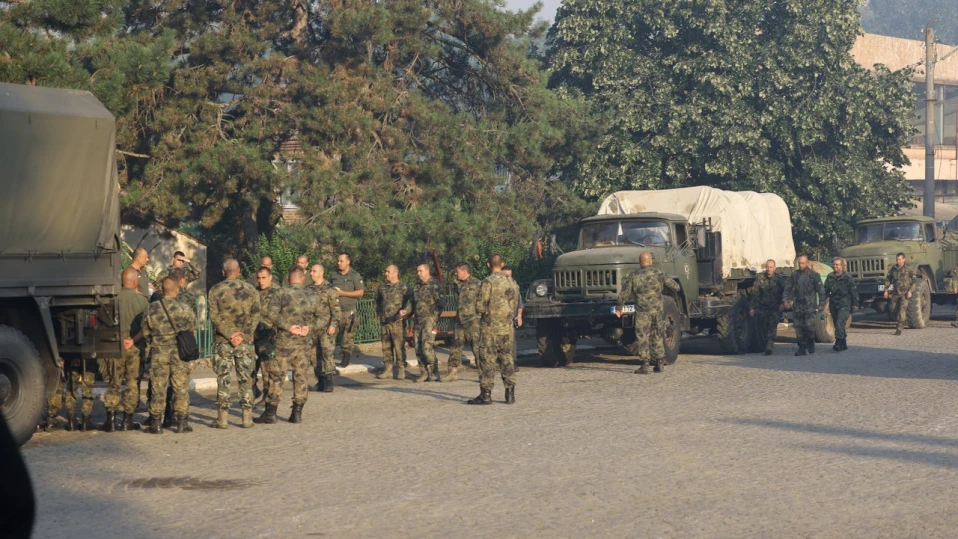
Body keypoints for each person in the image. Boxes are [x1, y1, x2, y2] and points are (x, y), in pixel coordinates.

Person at [256, 266, 321, 424]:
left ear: (288, 278)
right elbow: (324, 316)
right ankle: (297, 412)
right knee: (301, 377)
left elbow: (271, 314)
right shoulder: (312, 295)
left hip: (284, 342)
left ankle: (271, 413)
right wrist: (309, 328)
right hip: (304, 343)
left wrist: (287, 326)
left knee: (276, 377)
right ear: (302, 278)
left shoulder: (281, 293)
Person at [208, 259, 262, 429]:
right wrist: (242, 335)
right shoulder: (251, 290)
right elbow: (256, 316)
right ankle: (247, 418)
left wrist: (229, 334)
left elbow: (214, 316)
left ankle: (222, 419)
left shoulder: (215, 290)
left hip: (223, 341)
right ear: (238, 271)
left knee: (223, 379)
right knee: (246, 379)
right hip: (244, 343)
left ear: (224, 272)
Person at [141, 277, 197, 434]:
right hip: (179, 353)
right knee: (181, 388)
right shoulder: (185, 308)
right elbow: (192, 330)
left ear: (161, 290)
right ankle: (182, 422)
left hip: (159, 352)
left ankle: (156, 423)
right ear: (177, 289)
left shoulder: (151, 308)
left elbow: (146, 333)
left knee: (158, 388)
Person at [615, 252, 680, 374]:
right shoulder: (659, 274)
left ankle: (645, 364)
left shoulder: (634, 276)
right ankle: (660, 362)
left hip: (642, 312)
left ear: (640, 262)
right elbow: (675, 286)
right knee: (657, 335)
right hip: (657, 311)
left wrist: (619, 308)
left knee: (642, 337)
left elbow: (624, 293)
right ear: (650, 261)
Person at [467, 254, 520, 404]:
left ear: (488, 265)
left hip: (490, 329)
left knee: (487, 361)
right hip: (507, 329)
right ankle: (510, 394)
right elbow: (515, 304)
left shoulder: (488, 282)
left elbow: (480, 306)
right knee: (507, 359)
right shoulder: (512, 282)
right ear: (502, 264)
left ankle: (486, 395)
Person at [102, 268, 149, 432]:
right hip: (134, 346)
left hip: (115, 345)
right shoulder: (143, 302)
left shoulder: (111, 300)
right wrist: (132, 340)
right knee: (132, 383)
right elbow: (146, 328)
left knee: (114, 381)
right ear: (135, 282)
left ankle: (111, 420)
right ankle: (127, 419)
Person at [783, 255, 826, 356]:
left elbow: (821, 291)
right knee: (798, 326)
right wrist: (786, 300)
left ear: (807, 263)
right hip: (798, 304)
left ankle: (811, 340)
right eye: (799, 263)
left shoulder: (814, 275)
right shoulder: (795, 275)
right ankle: (801, 347)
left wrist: (821, 303)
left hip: (809, 304)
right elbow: (788, 288)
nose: (801, 265)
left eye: (802, 263)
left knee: (808, 325)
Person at [375, 265, 411, 380]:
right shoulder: (382, 288)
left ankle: (401, 369)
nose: (386, 273)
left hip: (397, 322)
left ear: (395, 273)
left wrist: (406, 312)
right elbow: (378, 302)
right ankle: (388, 369)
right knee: (386, 347)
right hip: (385, 322)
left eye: (388, 271)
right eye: (385, 271)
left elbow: (411, 301)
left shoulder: (404, 287)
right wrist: (380, 314)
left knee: (399, 347)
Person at [329, 252, 365, 368]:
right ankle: (328, 359)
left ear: (348, 262)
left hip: (349, 312)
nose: (338, 263)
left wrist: (343, 293)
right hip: (335, 311)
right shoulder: (334, 274)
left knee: (347, 337)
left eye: (341, 261)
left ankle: (346, 358)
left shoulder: (354, 276)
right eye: (338, 261)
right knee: (330, 335)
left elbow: (360, 292)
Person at [309, 264, 341, 392]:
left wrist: (333, 325)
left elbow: (336, 309)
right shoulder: (308, 289)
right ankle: (320, 381)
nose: (311, 273)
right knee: (314, 355)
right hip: (312, 328)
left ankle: (329, 381)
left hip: (326, 328)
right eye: (311, 271)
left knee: (327, 354)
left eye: (314, 271)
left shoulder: (330, 289)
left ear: (321, 273)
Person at [447, 263, 480, 380]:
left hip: (473, 320)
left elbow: (482, 301)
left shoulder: (477, 283)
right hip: (459, 320)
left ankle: (483, 373)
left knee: (477, 347)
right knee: (456, 346)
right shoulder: (456, 284)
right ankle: (452, 372)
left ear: (464, 271)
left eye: (457, 272)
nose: (456, 274)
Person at [252, 267, 280, 403]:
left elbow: (281, 314)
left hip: (269, 336)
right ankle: (253, 390)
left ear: (270, 277)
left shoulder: (277, 293)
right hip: (255, 334)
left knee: (267, 368)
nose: (260, 281)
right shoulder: (254, 292)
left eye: (263, 278)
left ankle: (267, 395)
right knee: (250, 367)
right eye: (258, 278)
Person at [411, 263, 442, 382]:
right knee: (418, 348)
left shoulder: (435, 285)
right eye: (417, 271)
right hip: (418, 320)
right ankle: (423, 373)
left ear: (427, 271)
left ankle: (434, 371)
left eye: (420, 271)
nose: (418, 273)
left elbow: (441, 302)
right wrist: (406, 311)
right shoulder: (417, 285)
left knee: (426, 347)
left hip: (429, 321)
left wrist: (434, 317)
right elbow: (412, 302)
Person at [748, 259, 786, 355]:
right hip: (763, 307)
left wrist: (783, 303)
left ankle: (770, 344)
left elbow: (785, 292)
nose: (769, 269)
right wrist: (752, 307)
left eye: (771, 267)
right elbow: (755, 293)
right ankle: (765, 343)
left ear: (775, 268)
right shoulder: (760, 277)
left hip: (775, 307)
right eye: (767, 267)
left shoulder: (779, 279)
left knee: (772, 324)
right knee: (763, 325)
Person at [824, 257, 859, 351]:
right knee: (836, 323)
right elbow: (825, 291)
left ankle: (838, 342)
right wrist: (821, 303)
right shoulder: (830, 276)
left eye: (837, 264)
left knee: (840, 322)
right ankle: (843, 342)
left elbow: (853, 291)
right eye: (834, 264)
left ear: (842, 266)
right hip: (834, 303)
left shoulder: (847, 277)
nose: (835, 266)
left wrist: (855, 303)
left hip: (845, 303)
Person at [884, 252, 915, 336]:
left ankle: (899, 328)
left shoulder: (909, 269)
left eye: (900, 259)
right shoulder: (893, 269)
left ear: (904, 259)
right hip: (895, 293)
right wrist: (886, 290)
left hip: (905, 293)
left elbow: (914, 280)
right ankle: (899, 321)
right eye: (897, 260)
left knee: (902, 310)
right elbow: (888, 279)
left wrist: (910, 291)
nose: (898, 261)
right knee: (892, 309)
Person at [502, 266, 524, 371]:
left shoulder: (515, 287)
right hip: (499, 319)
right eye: (506, 275)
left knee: (512, 341)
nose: (508, 278)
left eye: (510, 275)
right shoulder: (497, 287)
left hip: (511, 318)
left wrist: (519, 316)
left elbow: (520, 304)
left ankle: (513, 362)